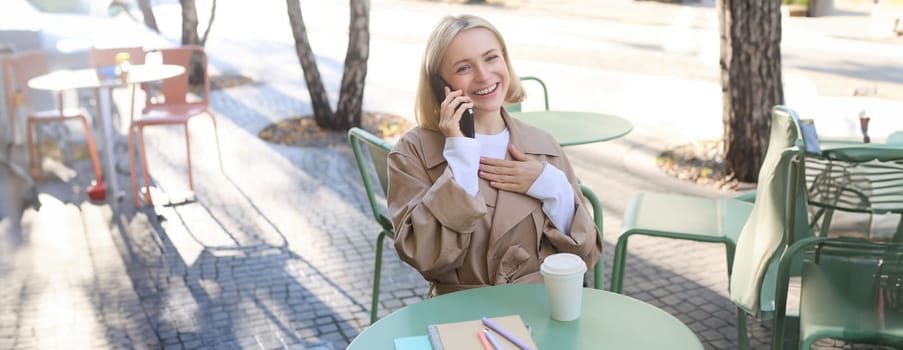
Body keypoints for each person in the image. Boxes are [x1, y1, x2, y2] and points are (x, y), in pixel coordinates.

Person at [387, 14, 602, 296]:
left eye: (491, 58)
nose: (484, 75)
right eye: (464, 67)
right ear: (440, 84)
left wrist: (555, 189)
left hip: (538, 304)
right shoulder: (413, 151)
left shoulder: (544, 145)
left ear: (506, 61)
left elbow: (584, 257)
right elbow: (425, 257)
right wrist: (461, 159)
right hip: (459, 312)